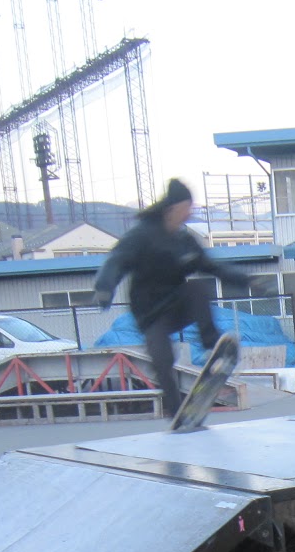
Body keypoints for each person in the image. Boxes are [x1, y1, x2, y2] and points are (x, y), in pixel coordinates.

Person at [92, 178, 261, 417]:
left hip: (176, 306)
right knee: (163, 359)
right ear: (174, 207)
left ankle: (211, 349)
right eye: (187, 207)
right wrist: (104, 287)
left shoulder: (184, 241)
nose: (190, 213)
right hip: (151, 315)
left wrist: (246, 280)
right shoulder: (141, 236)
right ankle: (175, 410)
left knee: (198, 289)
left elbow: (212, 267)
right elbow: (116, 260)